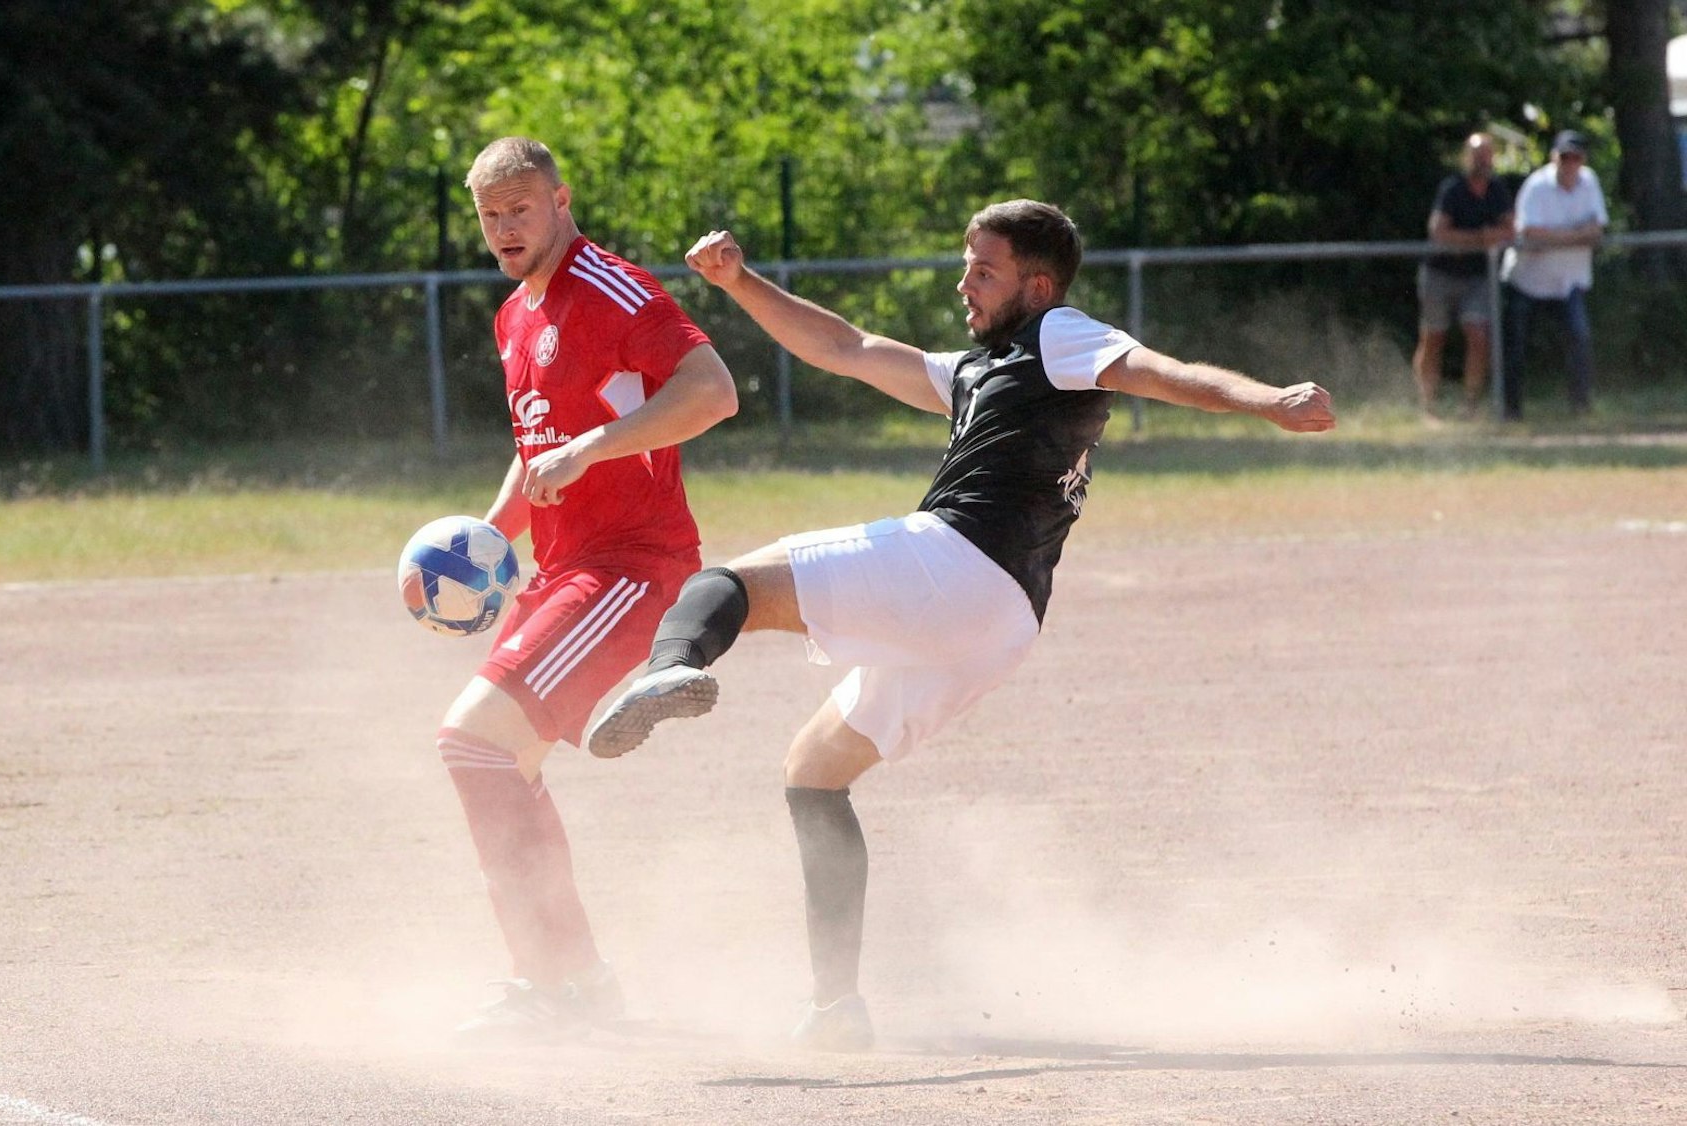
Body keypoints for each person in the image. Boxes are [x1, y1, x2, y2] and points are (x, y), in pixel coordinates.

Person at [584, 200, 1335, 1051]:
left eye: (984, 270)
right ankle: (836, 1009)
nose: (963, 284)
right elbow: (848, 349)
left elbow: (1163, 371)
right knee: (814, 772)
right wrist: (741, 282)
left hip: (959, 562)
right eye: (966, 265)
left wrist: (1269, 399)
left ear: (1038, 285)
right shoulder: (986, 368)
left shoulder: (1060, 335)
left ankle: (671, 665)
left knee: (727, 582)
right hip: (1000, 620)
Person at [435, 136, 738, 1041]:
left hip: (631, 567)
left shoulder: (608, 288)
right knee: (499, 761)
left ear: (561, 201)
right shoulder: (513, 316)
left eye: (520, 210)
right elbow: (538, 452)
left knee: (475, 744)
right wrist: (491, 538)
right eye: (490, 216)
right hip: (565, 567)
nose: (503, 230)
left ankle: (561, 984)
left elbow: (713, 391)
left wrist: (595, 448)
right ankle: (573, 984)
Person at [1501, 130, 1609, 420]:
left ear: (1582, 159)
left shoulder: (1590, 182)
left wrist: (1555, 236)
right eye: (1564, 156)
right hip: (1527, 282)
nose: (1570, 163)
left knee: (1580, 338)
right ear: (1554, 157)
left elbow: (1597, 230)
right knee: (1516, 347)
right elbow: (1531, 233)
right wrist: (1577, 234)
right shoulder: (1536, 186)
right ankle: (1511, 410)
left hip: (1568, 283)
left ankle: (1580, 407)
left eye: (1575, 157)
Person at [1413, 132, 1514, 419]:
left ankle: (1469, 404)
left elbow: (1510, 229)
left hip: (1477, 277)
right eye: (1476, 154)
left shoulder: (1497, 190)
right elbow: (1438, 232)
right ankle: (1428, 406)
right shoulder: (1452, 189)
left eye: (1487, 154)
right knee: (1433, 336)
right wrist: (1482, 238)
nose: (1482, 160)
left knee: (1478, 335)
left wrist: (1469, 240)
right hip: (1439, 274)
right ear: (1466, 157)